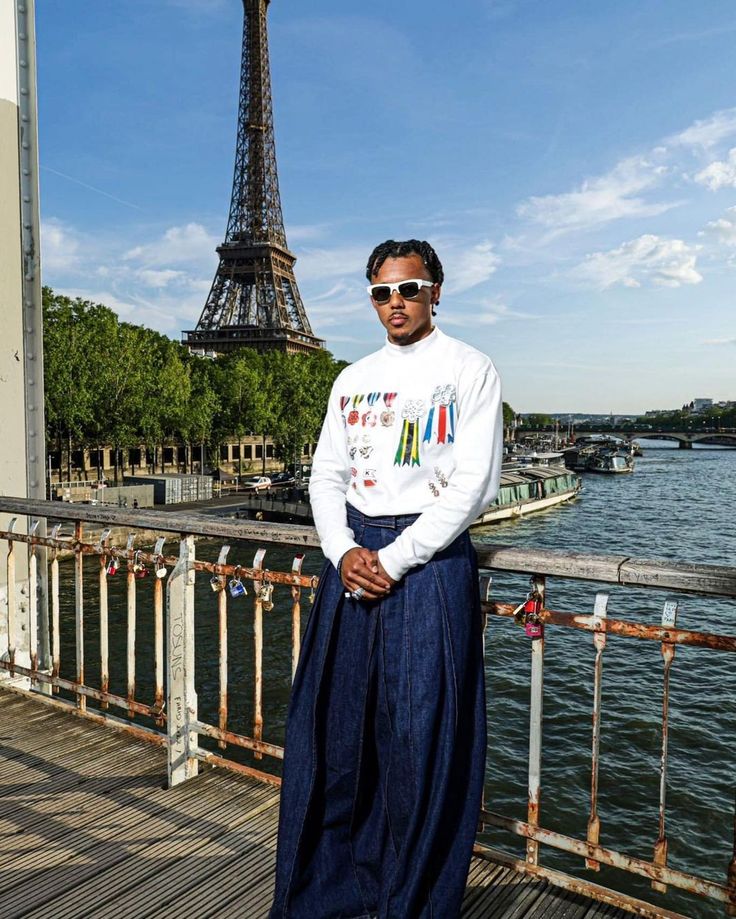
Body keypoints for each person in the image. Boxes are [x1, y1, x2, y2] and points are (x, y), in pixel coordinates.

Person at [270, 239, 503, 919]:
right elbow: (326, 476)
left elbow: (474, 486)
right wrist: (343, 549)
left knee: (422, 745)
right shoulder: (350, 377)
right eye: (381, 292)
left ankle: (414, 903)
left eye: (408, 288)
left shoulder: (471, 369)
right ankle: (331, 895)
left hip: (426, 563)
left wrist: (392, 558)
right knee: (336, 736)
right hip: (352, 556)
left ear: (435, 291)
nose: (394, 303)